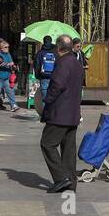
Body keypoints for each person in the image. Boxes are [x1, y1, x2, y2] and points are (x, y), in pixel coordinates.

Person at [39, 36, 84, 193]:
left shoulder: (63, 63)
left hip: (60, 112)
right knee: (68, 149)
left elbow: (57, 85)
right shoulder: (77, 62)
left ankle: (61, 178)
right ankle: (70, 182)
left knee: (47, 143)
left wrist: (47, 100)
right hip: (72, 113)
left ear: (58, 48)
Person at [34, 36, 57, 109]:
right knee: (54, 98)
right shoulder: (56, 52)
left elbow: (37, 65)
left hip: (44, 77)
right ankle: (53, 116)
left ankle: (45, 115)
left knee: (45, 99)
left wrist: (38, 76)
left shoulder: (40, 53)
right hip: (54, 78)